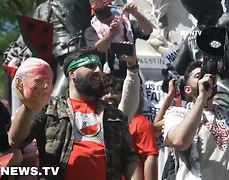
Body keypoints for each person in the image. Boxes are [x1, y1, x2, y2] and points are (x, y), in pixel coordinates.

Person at [9, 47, 142, 180]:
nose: (98, 71)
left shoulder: (114, 115)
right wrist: (28, 106)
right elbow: (16, 141)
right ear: (72, 73)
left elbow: (129, 158)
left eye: (99, 67)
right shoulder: (49, 107)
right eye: (90, 66)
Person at [163, 61, 229, 180]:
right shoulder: (177, 113)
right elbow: (179, 141)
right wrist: (202, 97)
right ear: (187, 89)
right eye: (198, 76)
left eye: (208, 76)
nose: (205, 79)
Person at [101, 55, 158, 180]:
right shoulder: (90, 118)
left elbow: (150, 156)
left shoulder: (136, 121)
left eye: (115, 92)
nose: (110, 96)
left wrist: (132, 67)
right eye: (105, 93)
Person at [85, 0, 153, 78]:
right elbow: (98, 48)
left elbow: (148, 30)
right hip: (107, 78)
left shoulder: (127, 24)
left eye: (103, 3)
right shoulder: (92, 30)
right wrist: (111, 34)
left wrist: (136, 13)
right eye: (97, 6)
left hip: (131, 72)